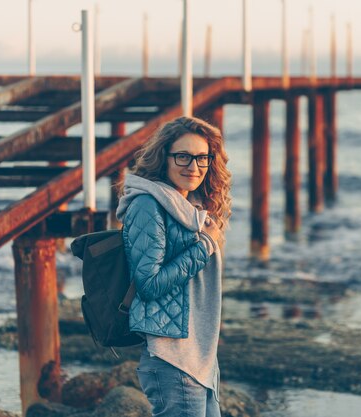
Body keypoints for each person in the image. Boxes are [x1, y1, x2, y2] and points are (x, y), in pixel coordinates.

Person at [116, 116, 231, 417]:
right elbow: (149, 284)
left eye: (202, 158)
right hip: (172, 358)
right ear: (163, 157)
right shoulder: (147, 205)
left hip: (200, 358)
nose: (193, 167)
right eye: (183, 156)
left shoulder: (188, 208)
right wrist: (206, 245)